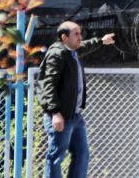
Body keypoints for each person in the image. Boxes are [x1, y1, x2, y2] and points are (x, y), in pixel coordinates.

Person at [36, 21, 116, 178]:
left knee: (82, 154)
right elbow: (48, 85)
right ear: (65, 37)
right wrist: (55, 113)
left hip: (75, 116)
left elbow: (84, 45)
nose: (81, 37)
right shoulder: (57, 54)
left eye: (80, 33)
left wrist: (101, 41)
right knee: (56, 156)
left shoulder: (71, 51)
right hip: (62, 116)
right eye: (76, 34)